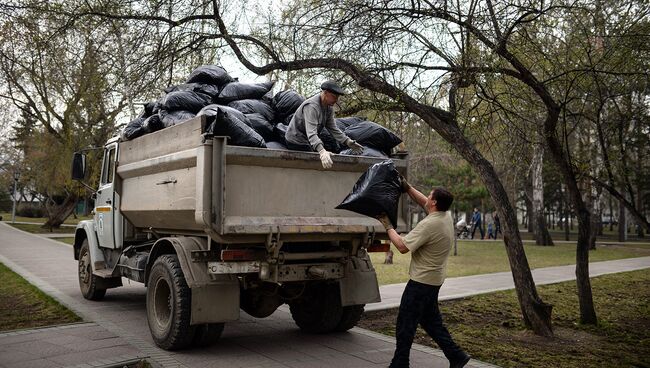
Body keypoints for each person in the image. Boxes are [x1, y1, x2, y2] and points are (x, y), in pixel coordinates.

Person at [376, 178, 471, 368]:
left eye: (430, 195)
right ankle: (456, 356)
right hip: (434, 280)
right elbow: (423, 202)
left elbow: (402, 247)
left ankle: (400, 363)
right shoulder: (445, 216)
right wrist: (408, 188)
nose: (427, 197)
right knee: (431, 322)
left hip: (421, 282)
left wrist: (387, 226)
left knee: (406, 323)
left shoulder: (429, 225)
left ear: (435, 202)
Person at [285, 80, 363, 168]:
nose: (336, 100)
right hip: (295, 139)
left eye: (337, 97)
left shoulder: (328, 107)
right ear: (325, 93)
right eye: (334, 96)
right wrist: (322, 151)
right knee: (314, 161)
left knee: (323, 154)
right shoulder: (312, 107)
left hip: (307, 139)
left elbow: (333, 128)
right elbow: (311, 134)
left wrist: (347, 141)